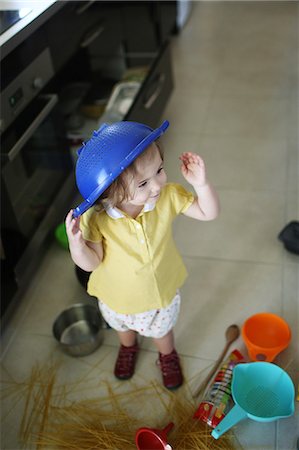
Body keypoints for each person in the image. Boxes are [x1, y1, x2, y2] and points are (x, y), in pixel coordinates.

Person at [65, 120, 219, 390]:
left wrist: (202, 184)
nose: (157, 185)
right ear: (111, 191)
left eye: (159, 169)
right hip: (117, 297)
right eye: (143, 183)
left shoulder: (168, 197)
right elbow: (92, 263)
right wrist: (77, 245)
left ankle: (167, 356)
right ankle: (128, 348)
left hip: (159, 293)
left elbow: (208, 213)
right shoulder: (97, 218)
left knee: (163, 334)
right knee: (123, 330)